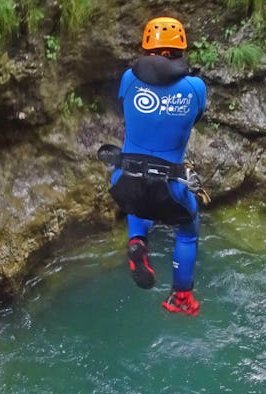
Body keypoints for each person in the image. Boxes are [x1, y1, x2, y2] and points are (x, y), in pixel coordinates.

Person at [108, 17, 207, 316]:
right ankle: (181, 296)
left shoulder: (129, 78)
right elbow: (197, 116)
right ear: (180, 49)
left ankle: (138, 242)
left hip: (123, 176)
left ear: (147, 47)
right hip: (169, 185)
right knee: (187, 230)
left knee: (137, 202)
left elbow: (126, 102)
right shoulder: (195, 88)